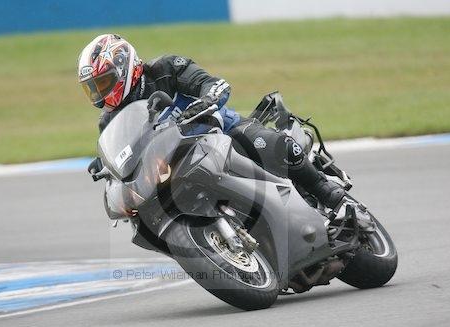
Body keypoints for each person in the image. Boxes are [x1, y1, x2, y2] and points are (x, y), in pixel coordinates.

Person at [79, 34, 344, 208]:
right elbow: (119, 158)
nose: (101, 94)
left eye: (103, 83)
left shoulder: (166, 69)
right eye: (93, 88)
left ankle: (324, 189)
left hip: (220, 133)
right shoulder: (109, 121)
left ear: (125, 66)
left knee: (274, 146)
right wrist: (105, 166)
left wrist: (206, 100)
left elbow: (212, 84)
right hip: (176, 167)